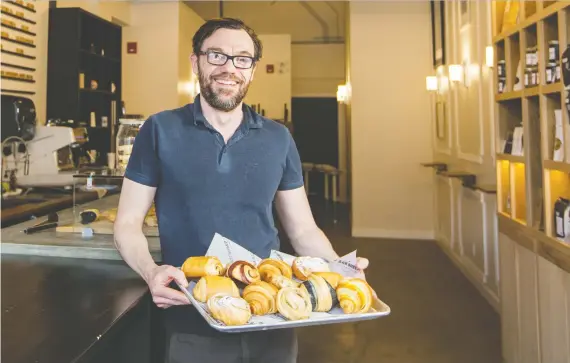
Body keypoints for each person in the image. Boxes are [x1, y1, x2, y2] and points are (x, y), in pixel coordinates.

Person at [113, 17, 370, 363]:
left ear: (252, 70)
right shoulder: (159, 130)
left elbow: (304, 230)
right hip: (192, 317)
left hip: (271, 315)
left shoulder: (279, 138)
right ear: (196, 61)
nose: (228, 68)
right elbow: (127, 223)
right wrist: (151, 270)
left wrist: (339, 271)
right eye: (216, 55)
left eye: (242, 59)